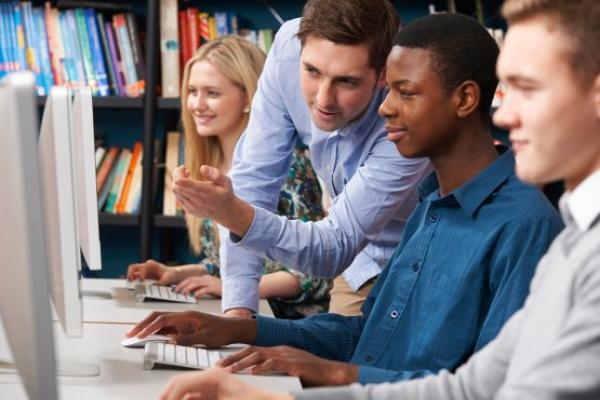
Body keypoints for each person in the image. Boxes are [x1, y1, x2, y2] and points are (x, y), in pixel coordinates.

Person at [159, 0, 600, 399]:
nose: (385, 107)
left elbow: (482, 390)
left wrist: (319, 380)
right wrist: (246, 328)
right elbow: (375, 339)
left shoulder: (528, 228)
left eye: (404, 93)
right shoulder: (433, 204)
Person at [170, 0, 431, 317]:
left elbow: (334, 248)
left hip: (421, 257)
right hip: (358, 263)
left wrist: (236, 214)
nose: (323, 99)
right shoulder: (288, 49)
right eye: (312, 72)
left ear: (383, 76)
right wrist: (237, 311)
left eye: (347, 81)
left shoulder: (411, 108)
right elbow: (253, 181)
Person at [127, 36, 331, 319]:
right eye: (192, 91)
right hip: (245, 314)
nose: (197, 104)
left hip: (287, 325)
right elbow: (231, 261)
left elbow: (315, 274)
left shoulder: (289, 167)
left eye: (212, 93)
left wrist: (234, 289)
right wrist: (176, 273)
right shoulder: (209, 164)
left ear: (249, 97)